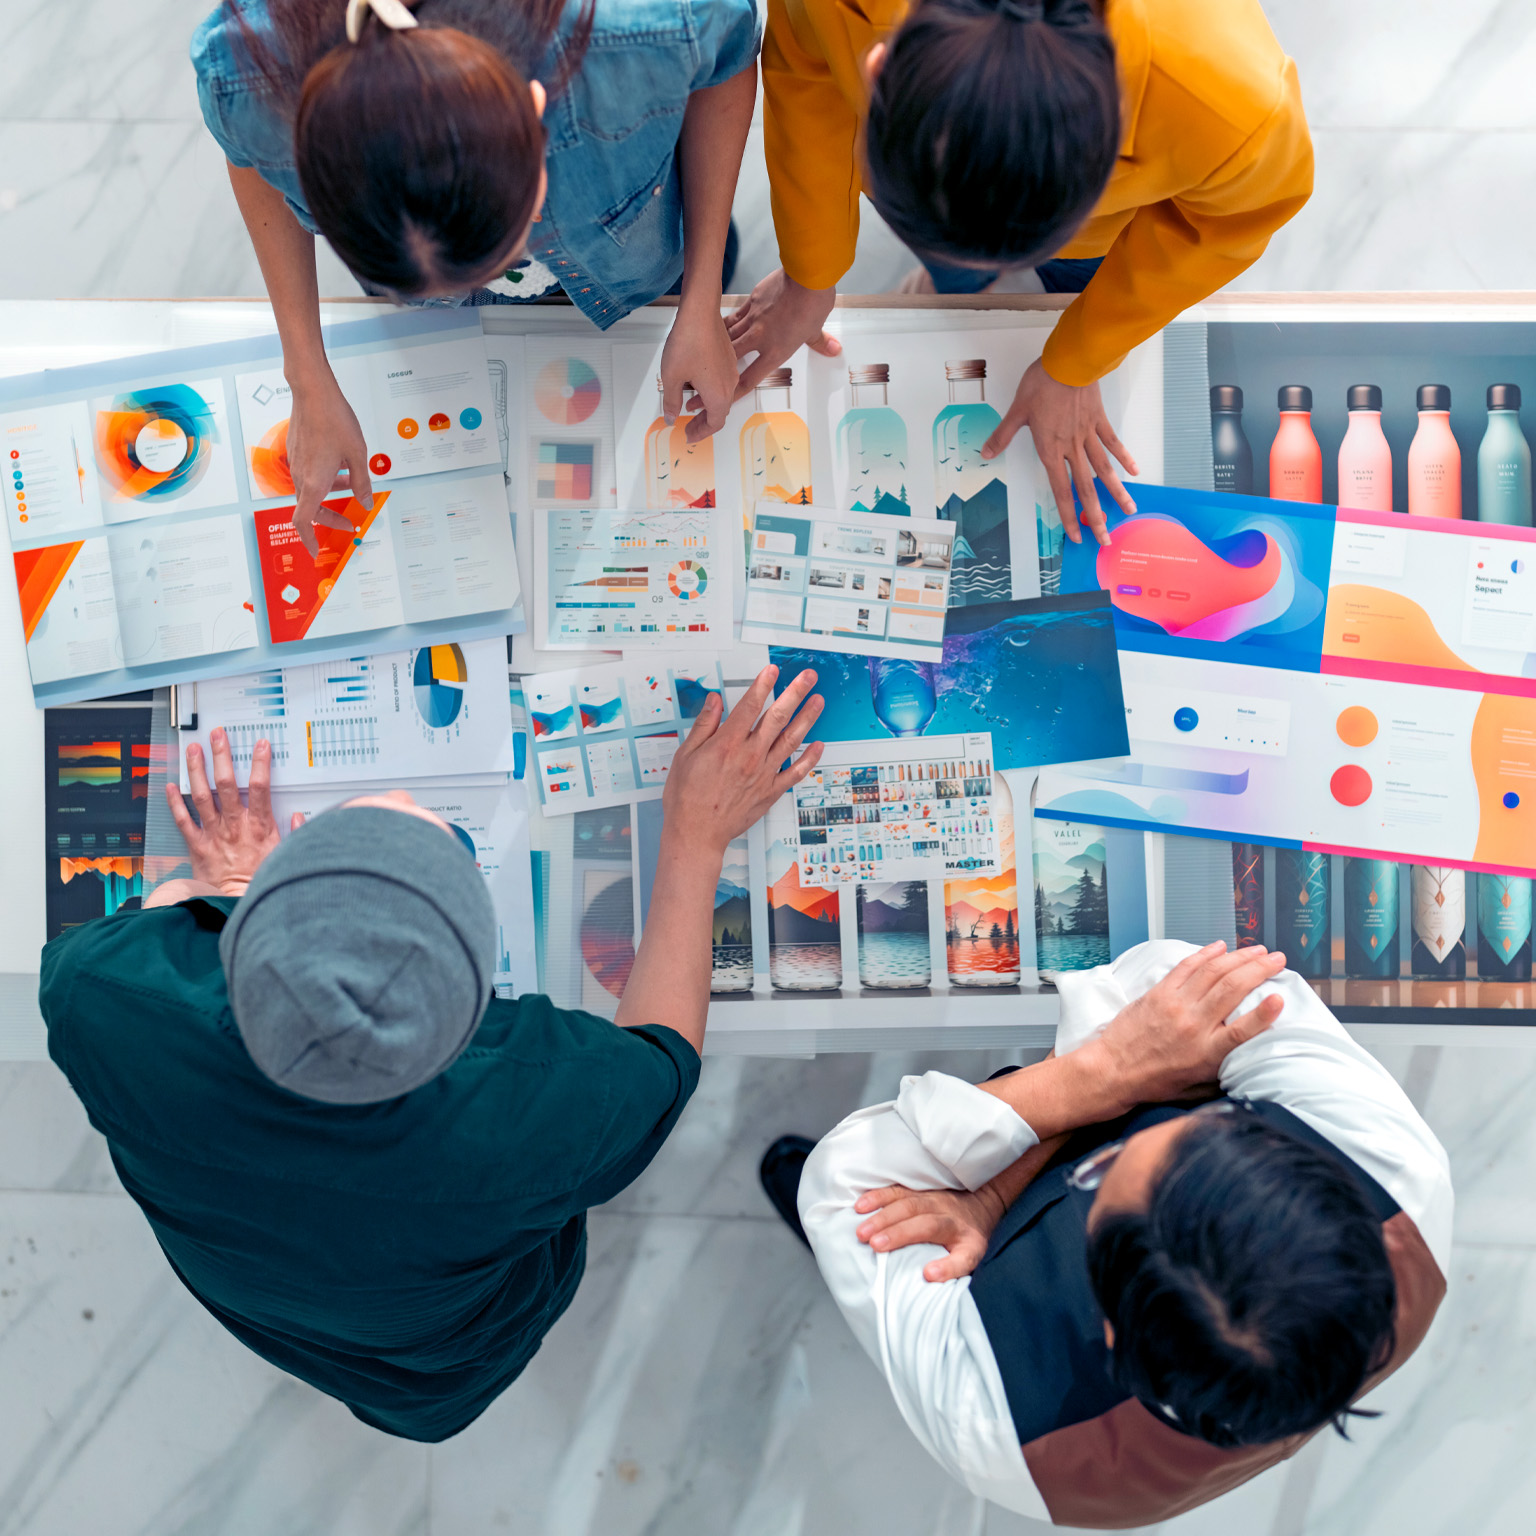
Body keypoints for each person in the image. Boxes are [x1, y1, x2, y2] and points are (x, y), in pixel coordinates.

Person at [39, 664, 824, 1442]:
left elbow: (162, 913)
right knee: (443, 1384)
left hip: (266, 1297)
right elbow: (662, 1053)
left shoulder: (98, 997)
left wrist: (237, 877)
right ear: (477, 1011)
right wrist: (696, 837)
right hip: (445, 1357)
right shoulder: (536, 1115)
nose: (411, 802)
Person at [760, 941, 1451, 1526]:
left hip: (956, 1263)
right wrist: (1002, 1182)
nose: (1122, 1142)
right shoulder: (1397, 1176)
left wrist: (1104, 1080)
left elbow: (846, 1182)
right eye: (1221, 1122)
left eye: (1100, 1173)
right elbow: (1177, 980)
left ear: (1111, 1324)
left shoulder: (998, 1427)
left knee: (865, 1232)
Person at [191, 0, 758, 554]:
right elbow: (248, 155)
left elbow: (729, 59)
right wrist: (306, 374)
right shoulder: (250, 72)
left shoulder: (646, 25)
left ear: (535, 116)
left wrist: (702, 296)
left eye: (505, 248)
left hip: (638, 267)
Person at [733, 0, 1313, 540]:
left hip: (1097, 242)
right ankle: (947, 277)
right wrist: (811, 270)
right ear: (878, 68)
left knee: (1080, 280)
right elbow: (804, 69)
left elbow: (1226, 225)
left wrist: (1078, 359)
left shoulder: (1232, 106)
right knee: (951, 273)